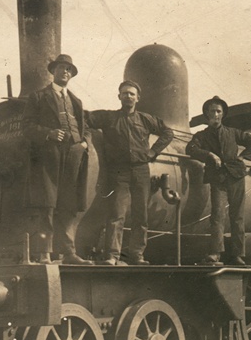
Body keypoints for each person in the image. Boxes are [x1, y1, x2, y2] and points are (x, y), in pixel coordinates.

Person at [87, 81, 173, 265]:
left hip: (141, 170)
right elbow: (85, 117)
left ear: (137, 98)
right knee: (117, 213)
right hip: (119, 172)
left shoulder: (145, 119)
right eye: (125, 93)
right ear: (119, 96)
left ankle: (137, 255)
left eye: (132, 94)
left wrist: (153, 152)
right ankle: (112, 256)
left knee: (141, 215)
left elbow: (168, 132)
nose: (128, 96)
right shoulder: (108, 117)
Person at [22, 54, 93, 265]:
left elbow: (85, 127)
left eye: (69, 70)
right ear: (53, 71)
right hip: (49, 156)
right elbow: (26, 126)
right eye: (62, 68)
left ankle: (68, 253)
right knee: (47, 204)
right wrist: (49, 133)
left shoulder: (76, 101)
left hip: (73, 156)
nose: (65, 72)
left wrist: (84, 143)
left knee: (68, 205)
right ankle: (44, 253)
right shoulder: (38, 97)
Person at [186, 96, 251, 266]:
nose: (216, 114)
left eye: (219, 111)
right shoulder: (201, 135)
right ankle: (215, 253)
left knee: (237, 217)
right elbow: (191, 148)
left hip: (236, 177)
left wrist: (243, 157)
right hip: (218, 178)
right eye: (212, 111)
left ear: (223, 114)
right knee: (218, 215)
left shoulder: (233, 133)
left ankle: (238, 255)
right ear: (207, 114)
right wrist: (209, 155)